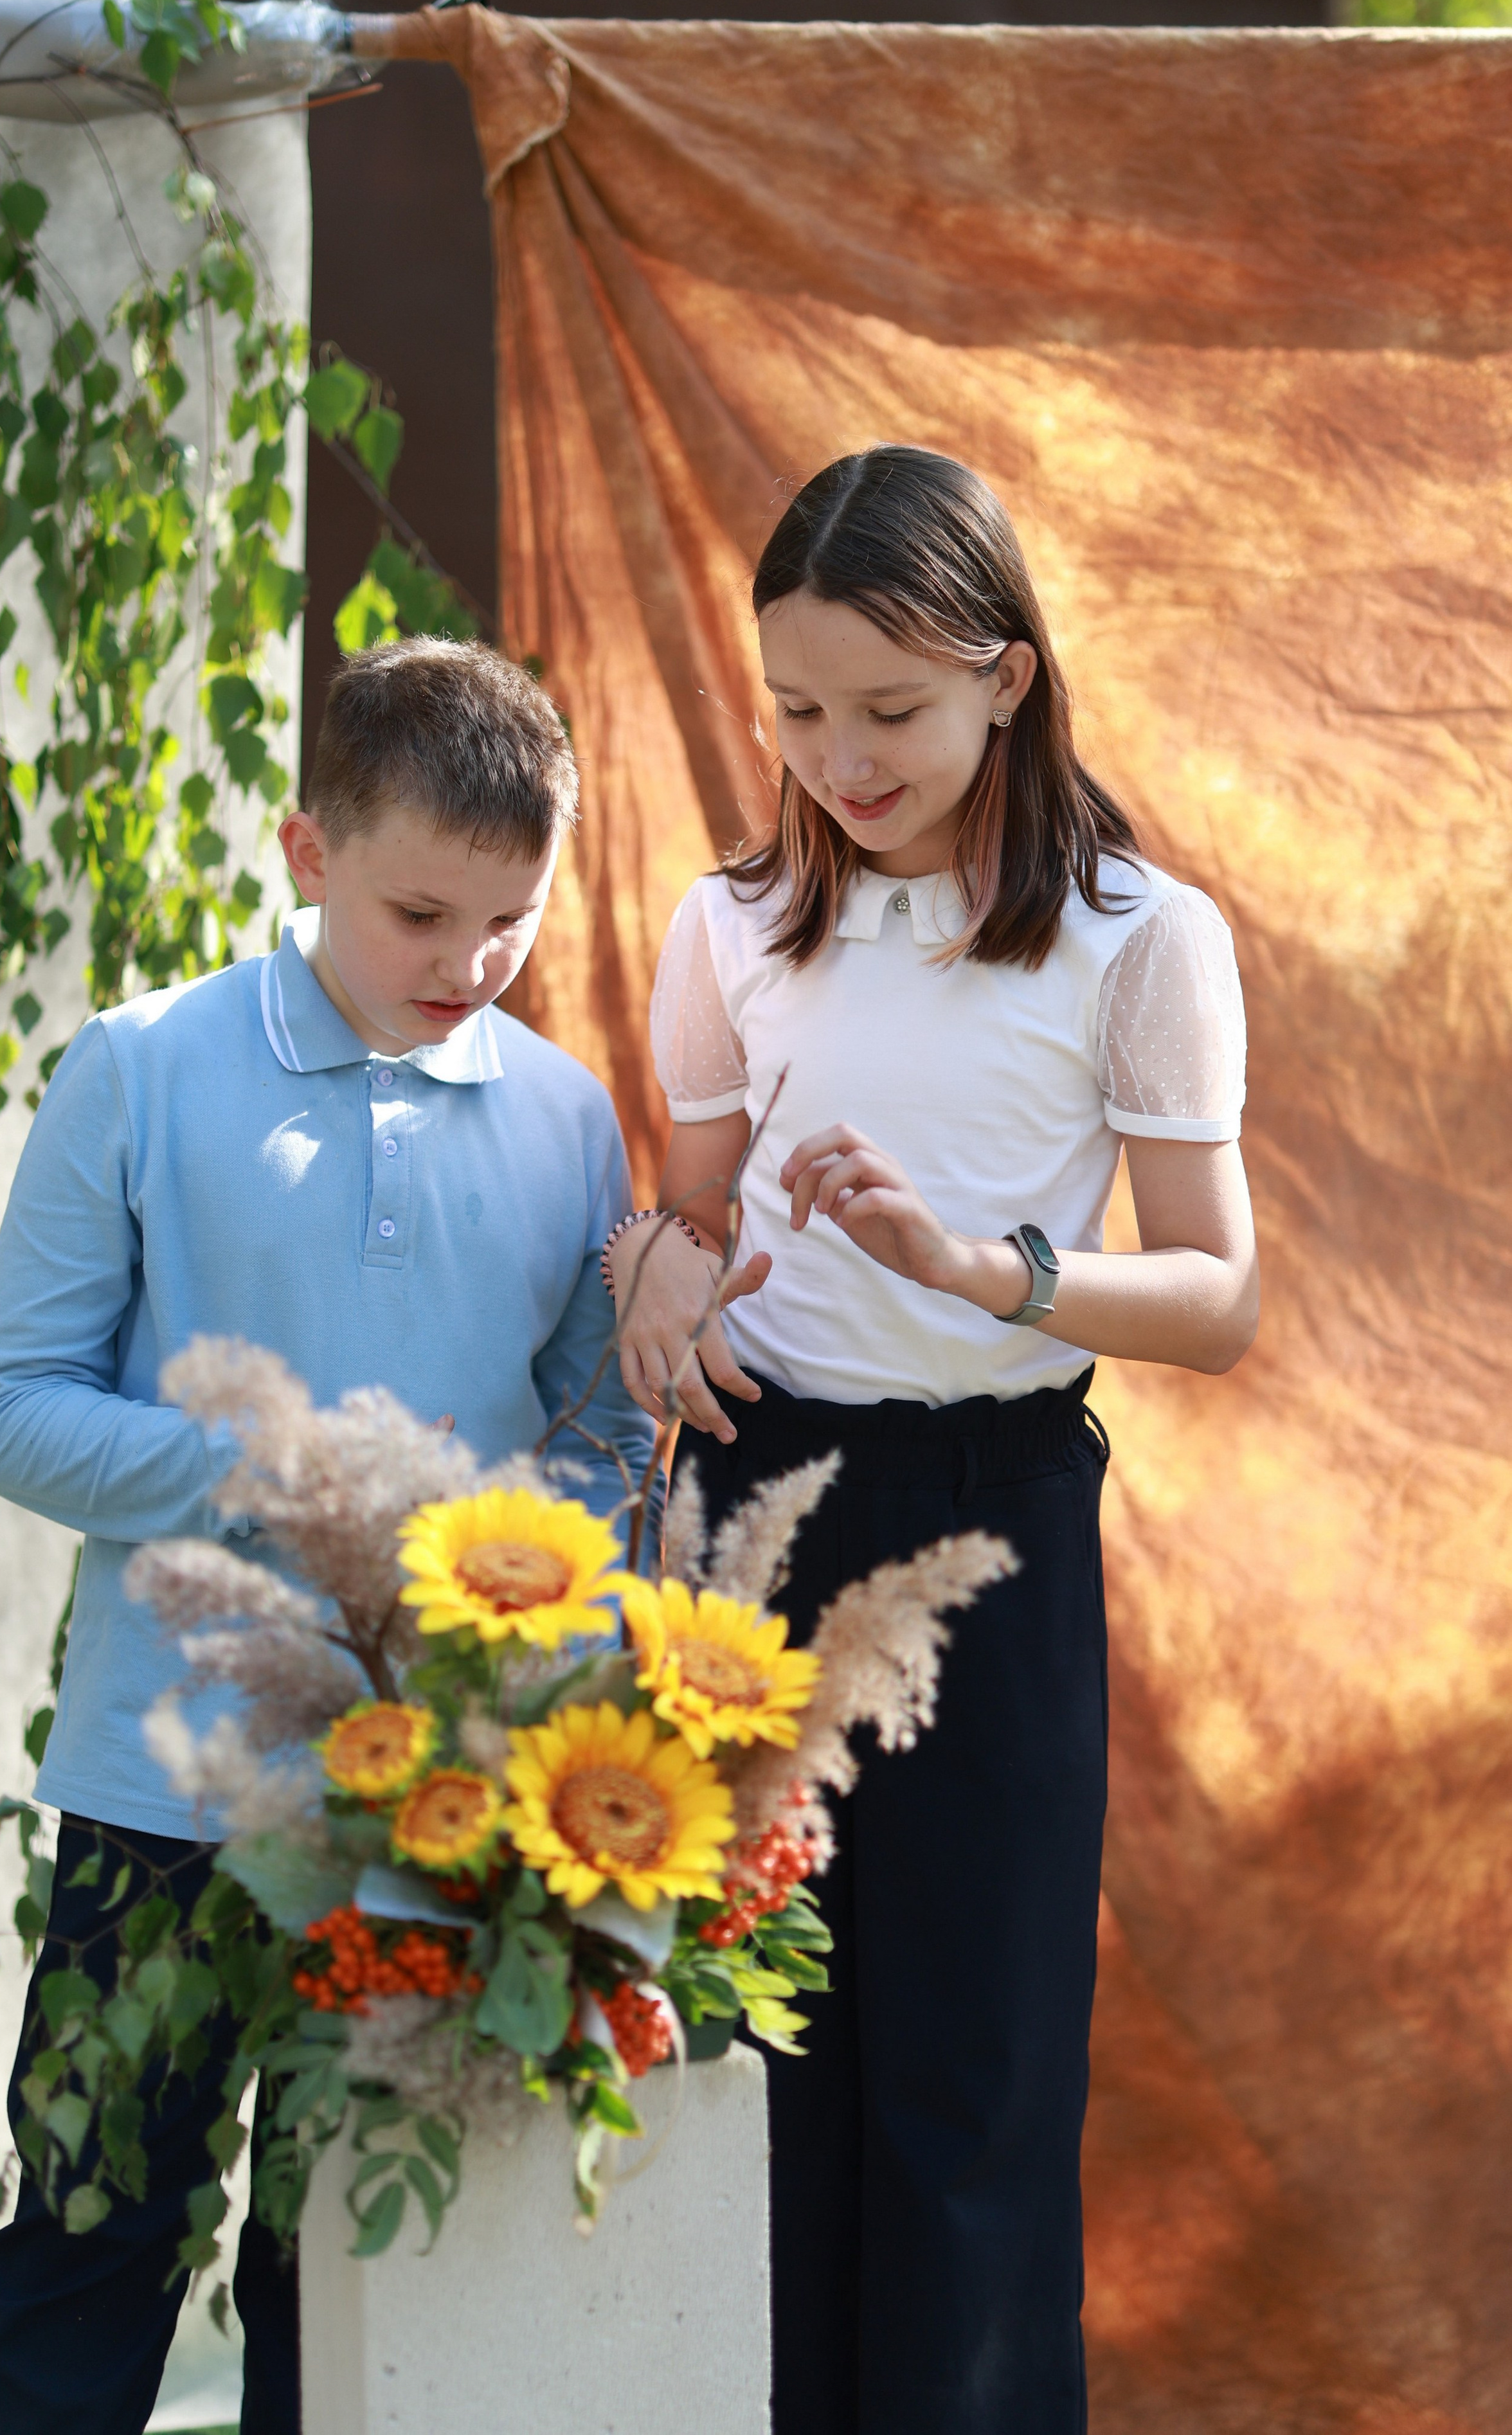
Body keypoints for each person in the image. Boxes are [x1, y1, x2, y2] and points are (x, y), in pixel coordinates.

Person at [606, 447, 1257, 2435]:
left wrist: (986, 1270)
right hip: (750, 1524)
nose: (841, 758)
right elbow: (693, 1208)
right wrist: (651, 1265)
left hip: (994, 1529)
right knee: (755, 2079)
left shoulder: (1140, 939)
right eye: (798, 712)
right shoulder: (733, 924)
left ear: (1007, 676)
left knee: (973, 2109)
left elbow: (1220, 1298)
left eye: (891, 710)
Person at [0, 637, 655, 2435]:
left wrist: (508, 1584)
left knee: (349, 2309)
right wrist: (281, 1480)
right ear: (304, 852)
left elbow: (613, 1443)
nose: (468, 968)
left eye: (513, 923)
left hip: (433, 1810)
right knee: (85, 2266)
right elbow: (9, 1410)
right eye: (423, 914)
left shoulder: (570, 1121)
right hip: (159, 1791)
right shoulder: (144, 1070)